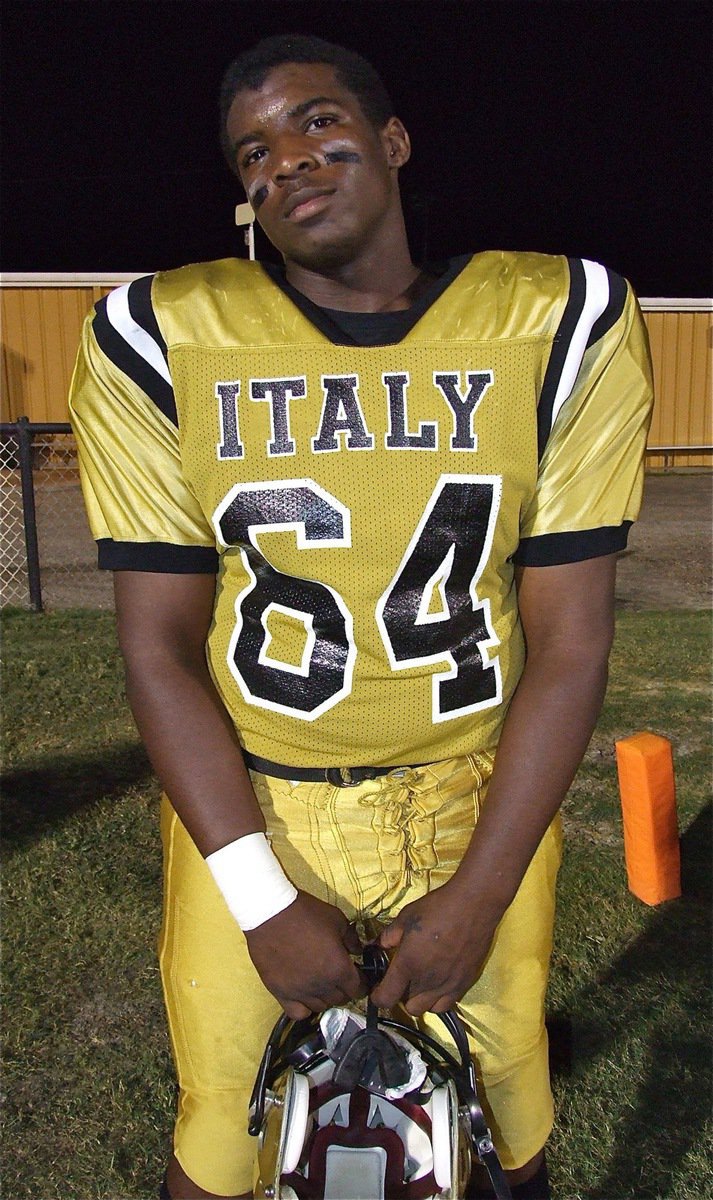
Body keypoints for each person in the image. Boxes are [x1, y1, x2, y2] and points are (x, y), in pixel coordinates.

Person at [69, 33, 653, 1200]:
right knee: (222, 1139)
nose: (286, 159)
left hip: (470, 787)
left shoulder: (555, 319)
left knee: (504, 1113)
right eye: (253, 150)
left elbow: (571, 642)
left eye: (315, 122)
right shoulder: (164, 336)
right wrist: (259, 896)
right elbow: (157, 648)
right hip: (259, 796)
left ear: (389, 140)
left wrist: (479, 890)